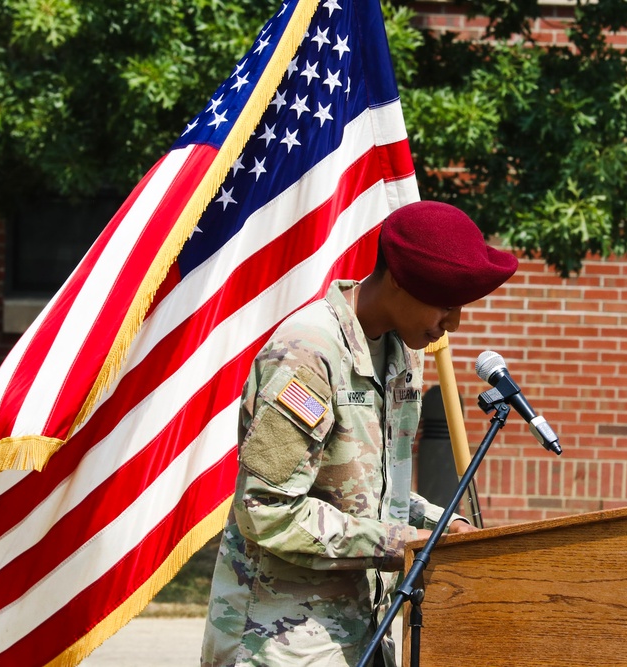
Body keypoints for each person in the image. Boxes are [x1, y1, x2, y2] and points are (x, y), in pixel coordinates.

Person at [200, 201, 518, 666]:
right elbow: (267, 510)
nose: (453, 325)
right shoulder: (307, 354)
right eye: (446, 306)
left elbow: (372, 493)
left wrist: (441, 526)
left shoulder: (403, 352)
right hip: (280, 643)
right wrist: (403, 545)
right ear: (397, 281)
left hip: (364, 632)